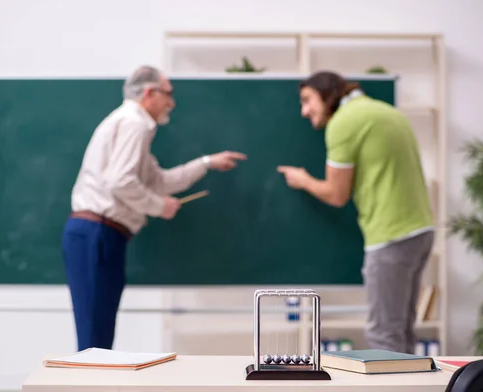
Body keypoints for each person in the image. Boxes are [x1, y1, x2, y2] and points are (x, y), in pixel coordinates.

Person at [62, 65, 247, 351]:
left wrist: (207, 162)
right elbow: (120, 181)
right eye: (168, 94)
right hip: (97, 234)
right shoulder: (135, 123)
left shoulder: (129, 124)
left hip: (99, 234)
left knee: (97, 337)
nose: (172, 102)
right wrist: (159, 207)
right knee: (94, 342)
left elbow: (160, 181)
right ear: (149, 93)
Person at [277, 71, 434, 354]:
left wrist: (302, 180)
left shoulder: (344, 123)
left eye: (307, 100)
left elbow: (337, 194)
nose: (304, 111)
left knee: (383, 335)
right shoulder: (386, 112)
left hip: (391, 237)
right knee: (403, 330)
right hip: (420, 231)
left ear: (328, 95)